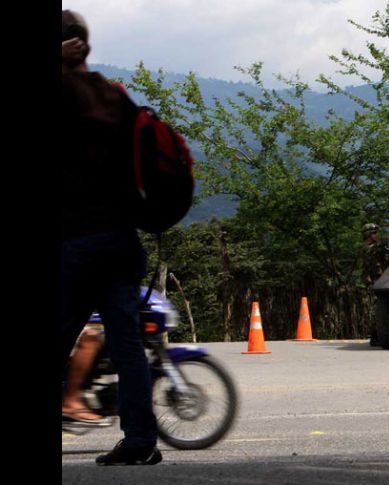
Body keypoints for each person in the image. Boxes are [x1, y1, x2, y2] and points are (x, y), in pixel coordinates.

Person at [62, 10, 161, 466]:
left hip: (77, 241)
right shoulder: (114, 96)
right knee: (126, 346)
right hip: (121, 241)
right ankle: (140, 442)